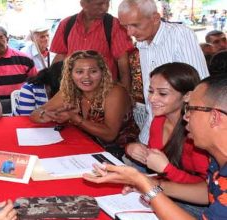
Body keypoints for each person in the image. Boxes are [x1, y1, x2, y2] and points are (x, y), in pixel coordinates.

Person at [83, 74, 227, 219]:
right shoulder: (217, 158)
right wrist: (150, 183)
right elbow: (208, 191)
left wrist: (146, 186)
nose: (185, 116)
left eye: (191, 109)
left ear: (215, 117)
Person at [118, 0, 209, 145]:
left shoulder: (179, 35)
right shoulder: (142, 43)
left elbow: (199, 88)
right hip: (152, 129)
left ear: (155, 18)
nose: (130, 32)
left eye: (135, 25)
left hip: (179, 134)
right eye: (125, 26)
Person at [30, 50, 139, 159]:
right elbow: (36, 113)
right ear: (70, 74)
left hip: (119, 154)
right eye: (79, 72)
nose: (86, 77)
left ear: (102, 72)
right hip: (83, 150)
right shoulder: (69, 91)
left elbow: (110, 134)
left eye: (93, 71)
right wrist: (47, 115)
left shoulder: (115, 92)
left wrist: (75, 118)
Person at [125, 63, 208, 185]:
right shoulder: (159, 120)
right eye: (151, 91)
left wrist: (166, 170)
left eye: (162, 93)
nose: (152, 99)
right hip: (164, 184)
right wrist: (131, 149)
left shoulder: (197, 131)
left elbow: (207, 187)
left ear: (187, 96)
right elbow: (155, 159)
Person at [50, 0, 133, 90]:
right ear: (84, 4)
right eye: (100, 4)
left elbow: (123, 61)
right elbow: (60, 56)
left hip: (105, 91)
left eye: (108, 3)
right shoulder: (66, 24)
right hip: (73, 90)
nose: (105, 8)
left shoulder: (114, 24)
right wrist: (52, 82)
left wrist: (125, 91)